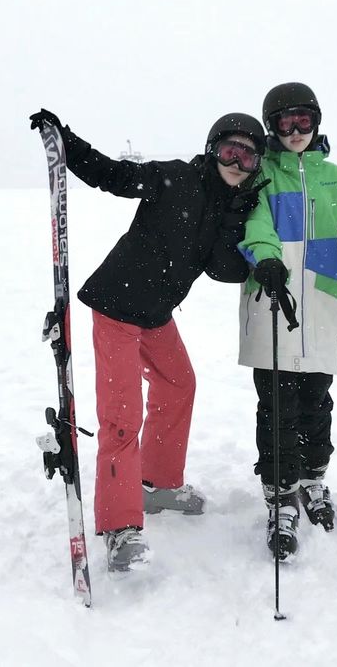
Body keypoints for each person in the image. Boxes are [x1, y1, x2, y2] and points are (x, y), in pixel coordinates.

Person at [30, 107, 267, 572]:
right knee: (121, 417)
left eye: (248, 157)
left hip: (156, 314)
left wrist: (235, 220)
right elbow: (111, 175)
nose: (237, 162)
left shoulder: (230, 206)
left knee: (180, 385)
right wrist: (66, 141)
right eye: (229, 150)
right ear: (211, 149)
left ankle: (157, 486)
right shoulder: (174, 178)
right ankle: (120, 528)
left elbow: (224, 270)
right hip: (117, 307)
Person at [237, 83, 337, 561]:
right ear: (272, 128)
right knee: (276, 409)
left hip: (321, 308)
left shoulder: (336, 177)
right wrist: (266, 258)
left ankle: (312, 478)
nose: (296, 131)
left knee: (316, 403)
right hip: (273, 306)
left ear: (316, 122)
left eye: (304, 120)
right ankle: (280, 496)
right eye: (285, 123)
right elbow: (256, 225)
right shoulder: (262, 175)